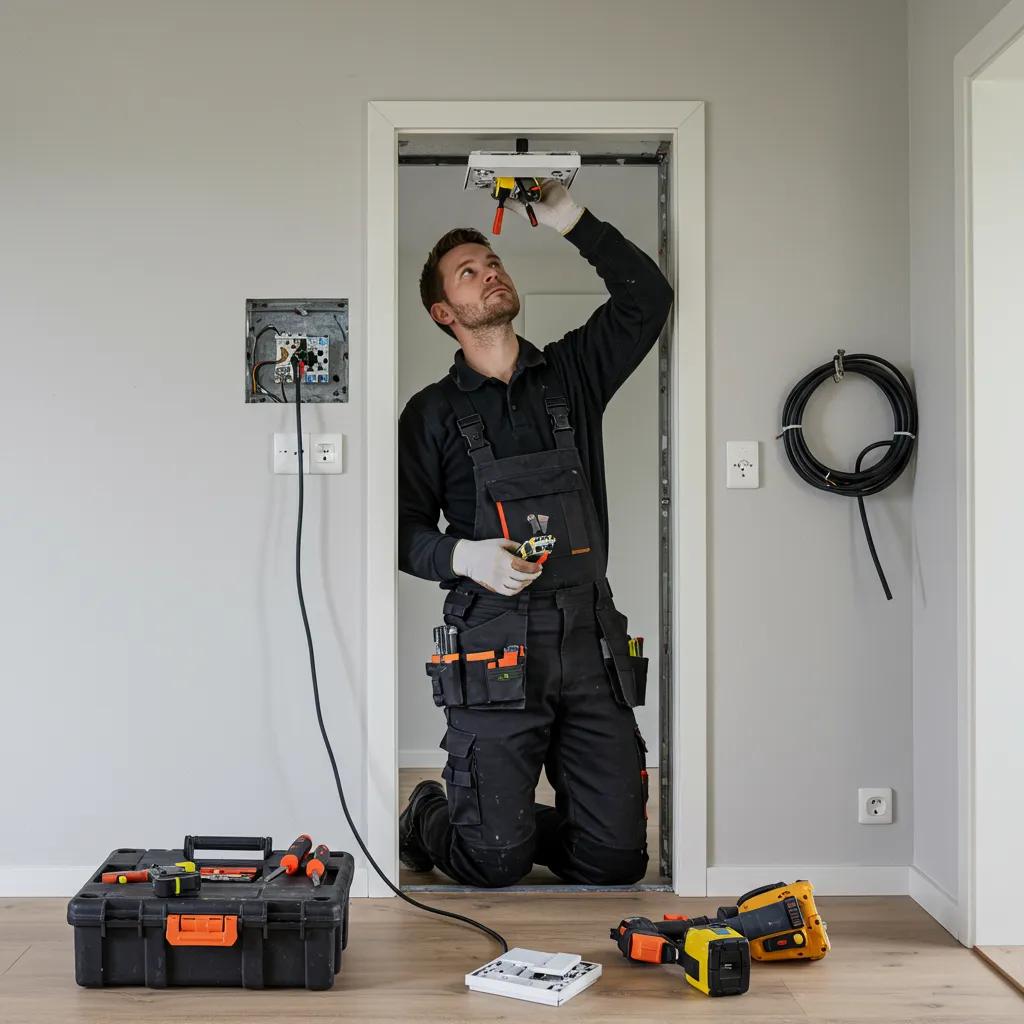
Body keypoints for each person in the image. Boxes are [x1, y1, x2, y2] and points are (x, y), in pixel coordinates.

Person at [397, 180, 673, 887]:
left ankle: (513, 823)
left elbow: (648, 299)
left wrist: (570, 218)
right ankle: (430, 810)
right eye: (468, 271)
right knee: (490, 865)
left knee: (615, 864)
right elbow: (401, 533)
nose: (489, 272)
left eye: (491, 261)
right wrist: (465, 557)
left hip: (589, 635)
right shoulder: (430, 415)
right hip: (493, 638)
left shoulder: (571, 375)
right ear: (443, 312)